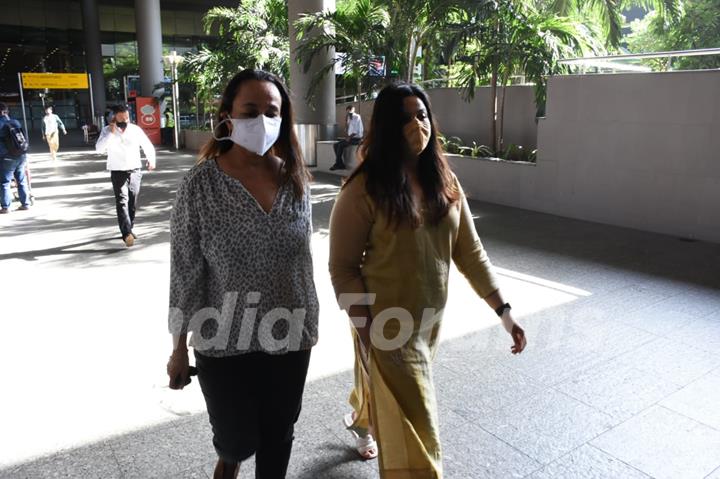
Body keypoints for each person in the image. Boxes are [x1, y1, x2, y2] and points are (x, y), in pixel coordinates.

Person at [328, 83, 527, 477]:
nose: (416, 124)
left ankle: (363, 416)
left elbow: (471, 254)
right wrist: (369, 333)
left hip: (427, 327)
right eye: (405, 118)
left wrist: (504, 312)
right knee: (419, 428)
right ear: (386, 127)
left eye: (421, 115)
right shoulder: (362, 190)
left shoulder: (445, 183)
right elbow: (343, 268)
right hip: (385, 327)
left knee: (389, 395)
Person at [166, 69, 319, 479]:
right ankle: (230, 459)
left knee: (278, 436)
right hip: (224, 342)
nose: (262, 122)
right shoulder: (199, 186)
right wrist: (179, 348)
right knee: (235, 441)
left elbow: (301, 262)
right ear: (227, 116)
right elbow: (185, 272)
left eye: (272, 112)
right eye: (250, 111)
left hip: (288, 336)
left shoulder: (296, 180)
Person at [95, 104, 156, 247]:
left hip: (135, 169)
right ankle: (126, 233)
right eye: (122, 118)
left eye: (127, 117)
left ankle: (129, 227)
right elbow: (99, 149)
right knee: (122, 201)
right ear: (114, 117)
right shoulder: (106, 131)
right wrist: (110, 133)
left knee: (132, 202)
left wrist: (151, 160)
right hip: (117, 171)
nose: (125, 120)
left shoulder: (135, 130)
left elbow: (147, 145)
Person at [0, 103, 31, 214]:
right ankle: (26, 204)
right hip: (21, 155)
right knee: (21, 180)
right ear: (6, 111)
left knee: (5, 182)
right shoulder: (15, 121)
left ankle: (6, 207)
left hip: (6, 157)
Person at [330, 104, 363, 171]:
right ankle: (340, 164)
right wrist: (346, 122)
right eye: (348, 113)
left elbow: (356, 131)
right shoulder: (348, 118)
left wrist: (349, 137)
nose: (349, 114)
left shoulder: (357, 117)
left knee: (341, 145)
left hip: (357, 139)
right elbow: (347, 130)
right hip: (351, 138)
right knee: (335, 145)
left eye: (350, 113)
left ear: (353, 111)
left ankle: (338, 164)